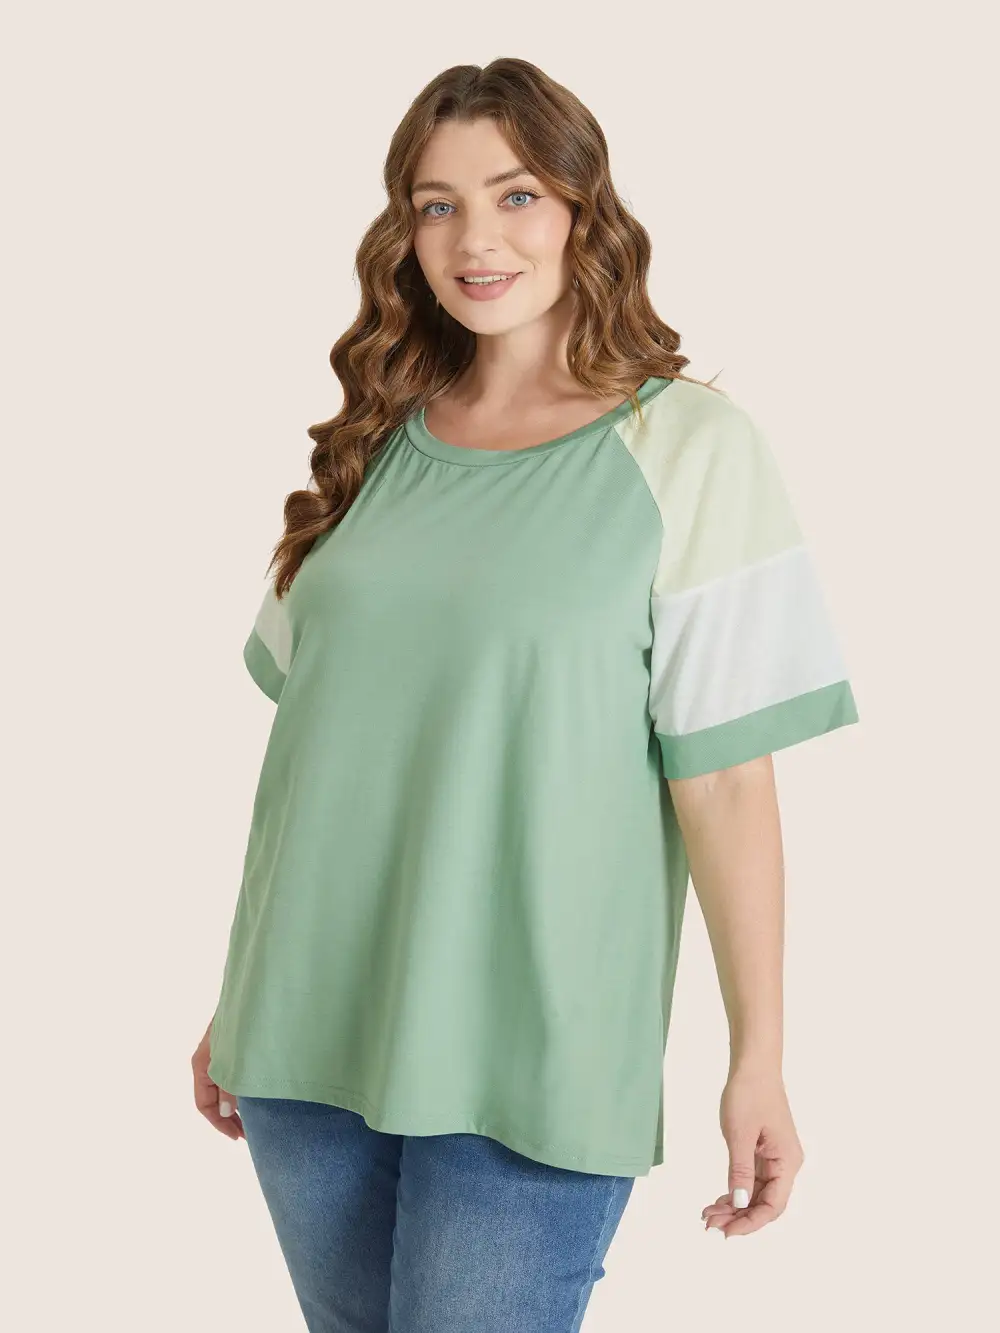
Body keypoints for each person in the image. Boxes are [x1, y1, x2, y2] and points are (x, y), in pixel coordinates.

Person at [191, 56, 860, 1333]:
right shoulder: (372, 443)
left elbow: (724, 777)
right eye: (435, 205)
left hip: (533, 1061)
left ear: (580, 210)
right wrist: (242, 996)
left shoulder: (687, 449)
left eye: (514, 196)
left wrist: (757, 1057)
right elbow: (327, 759)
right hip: (303, 1036)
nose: (474, 240)